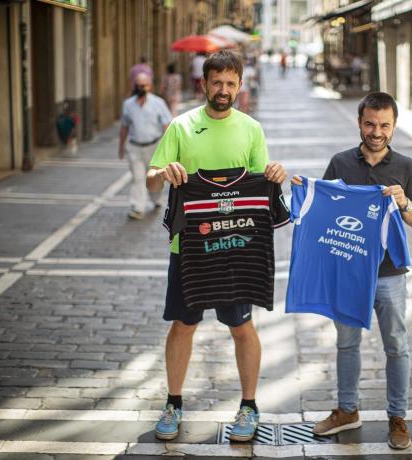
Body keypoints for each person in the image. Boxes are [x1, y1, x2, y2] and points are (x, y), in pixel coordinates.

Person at [146, 50, 287, 442]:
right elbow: (150, 181)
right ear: (204, 83)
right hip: (188, 249)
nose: (223, 90)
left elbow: (263, 184)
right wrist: (163, 172)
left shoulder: (252, 129)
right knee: (183, 325)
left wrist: (275, 173)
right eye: (216, 82)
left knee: (242, 327)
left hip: (237, 250)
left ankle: (249, 406)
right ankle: (173, 402)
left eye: (230, 83)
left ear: (240, 86)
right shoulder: (181, 126)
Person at [292, 92, 412, 450]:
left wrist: (404, 201)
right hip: (348, 272)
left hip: (389, 274)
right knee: (347, 343)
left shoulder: (406, 167)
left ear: (394, 125)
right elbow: (321, 210)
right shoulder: (340, 163)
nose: (376, 131)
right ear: (359, 123)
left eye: (384, 125)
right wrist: (303, 194)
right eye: (370, 123)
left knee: (396, 345)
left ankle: (398, 417)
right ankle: (347, 410)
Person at [118, 72, 172, 220]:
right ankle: (137, 207)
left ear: (150, 86)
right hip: (134, 147)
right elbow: (124, 127)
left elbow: (167, 124)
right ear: (133, 85)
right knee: (138, 178)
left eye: (144, 85)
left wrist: (169, 148)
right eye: (138, 85)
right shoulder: (128, 104)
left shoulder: (158, 103)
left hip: (154, 147)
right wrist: (121, 147)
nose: (141, 87)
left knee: (155, 177)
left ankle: (156, 199)